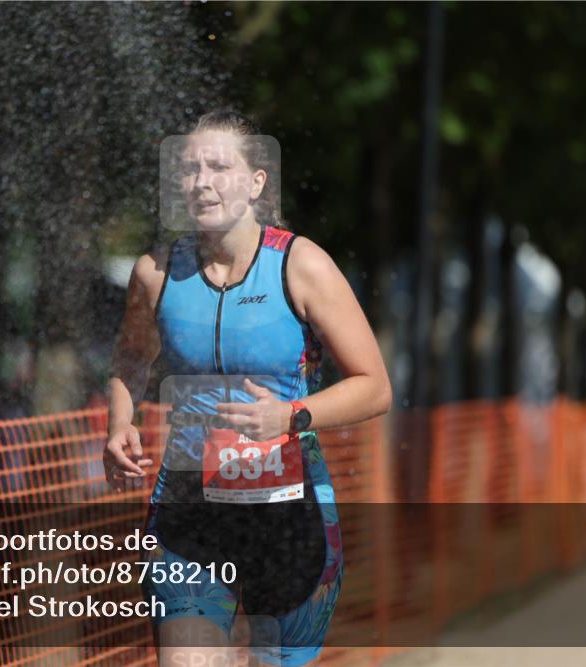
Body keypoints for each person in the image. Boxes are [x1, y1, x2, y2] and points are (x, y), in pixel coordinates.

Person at [105, 110, 391, 666]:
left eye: (218, 166)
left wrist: (291, 416)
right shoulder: (156, 273)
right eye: (189, 169)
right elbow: (130, 359)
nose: (201, 182)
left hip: (289, 517)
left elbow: (375, 386)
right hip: (190, 516)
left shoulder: (301, 265)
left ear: (257, 182)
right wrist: (120, 423)